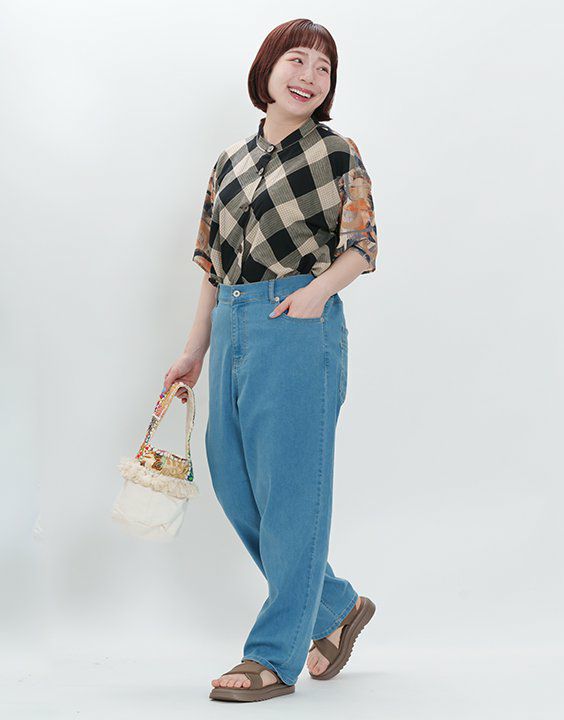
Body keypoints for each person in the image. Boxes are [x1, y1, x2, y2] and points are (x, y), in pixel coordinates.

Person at [163, 18, 378, 703]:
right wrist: (194, 348)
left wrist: (315, 294)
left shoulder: (337, 153)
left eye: (323, 67)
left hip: (297, 324)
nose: (309, 76)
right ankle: (336, 606)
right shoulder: (229, 160)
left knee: (291, 494)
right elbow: (210, 261)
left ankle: (273, 655)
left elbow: (361, 245)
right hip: (231, 322)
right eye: (297, 60)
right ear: (268, 69)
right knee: (233, 481)